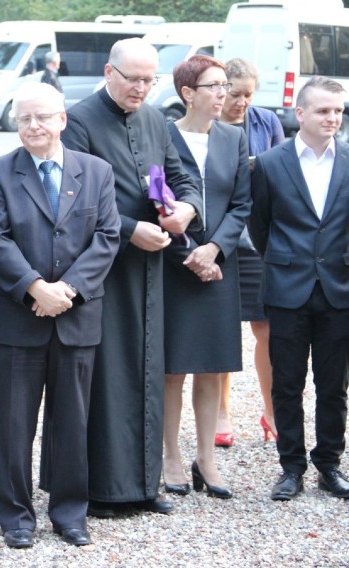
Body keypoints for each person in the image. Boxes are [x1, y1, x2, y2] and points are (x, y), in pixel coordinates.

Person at [56, 37, 203, 517]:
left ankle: (144, 483)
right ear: (108, 72)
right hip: (102, 270)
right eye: (133, 79)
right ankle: (102, 488)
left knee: (147, 373)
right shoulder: (78, 122)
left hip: (151, 267)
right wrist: (127, 230)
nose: (141, 89)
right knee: (106, 378)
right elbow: (70, 202)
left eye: (149, 80)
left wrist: (186, 208)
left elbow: (182, 178)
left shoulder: (156, 119)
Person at [0, 82, 120, 549]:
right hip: (19, 319)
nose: (33, 126)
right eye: (24, 119)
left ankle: (69, 512)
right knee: (15, 423)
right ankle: (16, 516)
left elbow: (107, 236)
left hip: (77, 319)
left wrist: (69, 290)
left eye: (42, 117)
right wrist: (36, 287)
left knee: (72, 421)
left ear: (62, 119)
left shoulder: (96, 171)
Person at [249, 75, 349, 502]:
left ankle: (329, 463)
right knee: (286, 384)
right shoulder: (271, 163)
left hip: (339, 289)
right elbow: (260, 226)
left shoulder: (348, 160)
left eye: (338, 111)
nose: (332, 118)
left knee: (333, 385)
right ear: (301, 113)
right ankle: (291, 467)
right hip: (287, 287)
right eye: (324, 110)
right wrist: (288, 260)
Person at [162, 55, 251, 500]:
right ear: (187, 94)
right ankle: (170, 457)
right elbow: (154, 201)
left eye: (224, 85)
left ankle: (206, 457)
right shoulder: (163, 136)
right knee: (173, 368)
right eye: (214, 86)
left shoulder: (234, 138)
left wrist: (215, 249)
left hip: (220, 264)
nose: (223, 93)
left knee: (213, 367)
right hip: (174, 264)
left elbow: (241, 204)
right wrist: (190, 253)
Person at [215, 57, 286, 447]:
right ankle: (221, 415)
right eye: (234, 94)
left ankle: (272, 411)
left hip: (259, 238)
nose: (241, 102)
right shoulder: (207, 122)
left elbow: (281, 172)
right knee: (221, 329)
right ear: (218, 90)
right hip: (220, 240)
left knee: (267, 330)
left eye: (248, 95)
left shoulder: (267, 122)